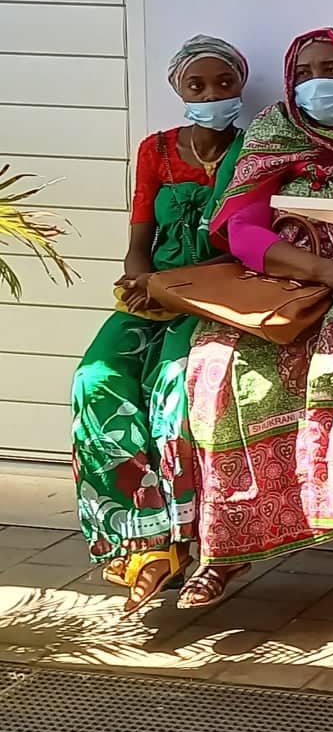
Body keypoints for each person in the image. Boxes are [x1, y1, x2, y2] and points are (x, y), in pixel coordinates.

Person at [181, 29, 333, 604]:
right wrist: (322, 270)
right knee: (215, 366)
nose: (318, 82)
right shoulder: (274, 134)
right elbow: (242, 230)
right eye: (306, 73)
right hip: (284, 285)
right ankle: (223, 551)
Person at [70, 37, 249, 613]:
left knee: (173, 389)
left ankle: (182, 541)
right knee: (95, 380)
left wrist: (180, 288)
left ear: (240, 86)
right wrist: (142, 280)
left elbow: (248, 247)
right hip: (151, 294)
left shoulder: (253, 152)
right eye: (197, 85)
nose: (211, 95)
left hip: (216, 297)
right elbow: (138, 242)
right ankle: (135, 539)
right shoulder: (157, 150)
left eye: (224, 83)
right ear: (178, 89)